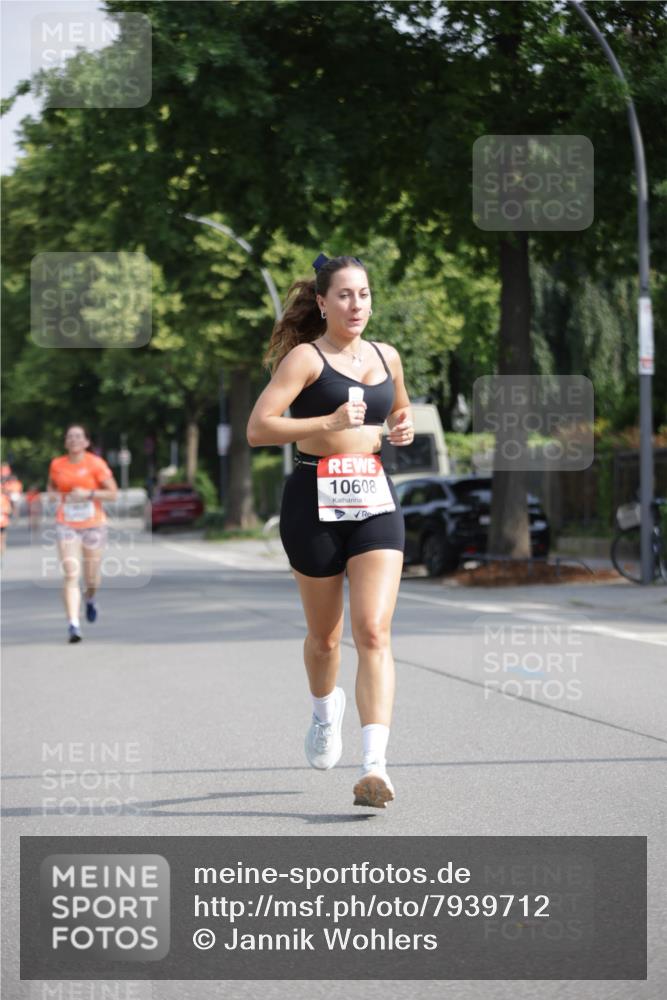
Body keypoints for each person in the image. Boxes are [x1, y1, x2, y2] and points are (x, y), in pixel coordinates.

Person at [247, 253, 414, 808]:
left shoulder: (387, 355)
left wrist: (401, 425)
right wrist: (328, 421)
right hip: (312, 496)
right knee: (324, 639)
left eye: (363, 294)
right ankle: (325, 712)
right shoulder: (305, 359)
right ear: (322, 302)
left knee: (373, 631)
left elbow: (399, 410)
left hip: (372, 495)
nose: (356, 305)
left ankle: (375, 767)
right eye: (344, 295)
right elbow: (259, 428)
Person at [47, 425, 118, 643]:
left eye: (78, 437)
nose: (74, 440)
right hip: (66, 523)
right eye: (70, 437)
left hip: (93, 524)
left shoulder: (96, 464)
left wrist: (89, 494)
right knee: (70, 573)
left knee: (91, 577)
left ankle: (91, 597)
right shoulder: (57, 464)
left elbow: (113, 493)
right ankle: (73, 625)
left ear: (87, 442)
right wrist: (53, 496)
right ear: (65, 442)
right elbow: (51, 487)